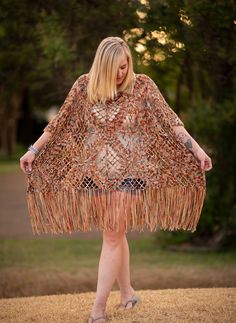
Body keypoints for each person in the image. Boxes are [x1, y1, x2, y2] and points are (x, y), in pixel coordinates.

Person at [20, 36, 212, 323]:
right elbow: (59, 124)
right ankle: (127, 293)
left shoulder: (143, 85)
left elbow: (171, 121)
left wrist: (197, 149)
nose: (122, 73)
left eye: (125, 66)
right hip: (94, 172)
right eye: (116, 68)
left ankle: (97, 309)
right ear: (103, 65)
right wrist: (33, 150)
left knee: (111, 235)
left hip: (132, 171)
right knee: (115, 234)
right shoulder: (84, 86)